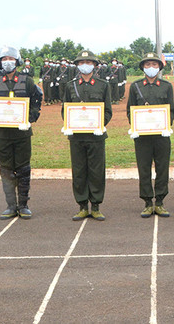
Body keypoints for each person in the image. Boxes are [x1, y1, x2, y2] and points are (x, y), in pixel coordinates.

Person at [0, 46, 42, 220]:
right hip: (3, 135)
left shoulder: (27, 81)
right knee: (6, 170)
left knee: (23, 169)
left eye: (10, 59)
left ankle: (23, 204)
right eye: (4, 59)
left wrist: (30, 119)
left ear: (16, 61)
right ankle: (10, 205)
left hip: (22, 134)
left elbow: (36, 101)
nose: (7, 62)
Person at [61, 50, 113, 221]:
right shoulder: (70, 85)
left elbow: (107, 111)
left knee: (97, 171)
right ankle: (82, 206)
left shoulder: (103, 85)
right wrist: (70, 124)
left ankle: (96, 206)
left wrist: (100, 124)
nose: (85, 65)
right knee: (79, 171)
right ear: (77, 65)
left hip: (96, 137)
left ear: (95, 66)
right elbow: (65, 109)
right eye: (82, 62)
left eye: (89, 62)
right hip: (77, 137)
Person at [126, 52, 174, 218]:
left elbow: (172, 111)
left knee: (162, 168)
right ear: (143, 68)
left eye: (154, 65)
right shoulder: (136, 86)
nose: (151, 68)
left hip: (161, 136)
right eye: (147, 65)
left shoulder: (167, 86)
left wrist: (165, 125)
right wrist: (137, 126)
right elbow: (130, 111)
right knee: (144, 169)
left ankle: (160, 202)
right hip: (142, 137)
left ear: (159, 67)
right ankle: (147, 202)